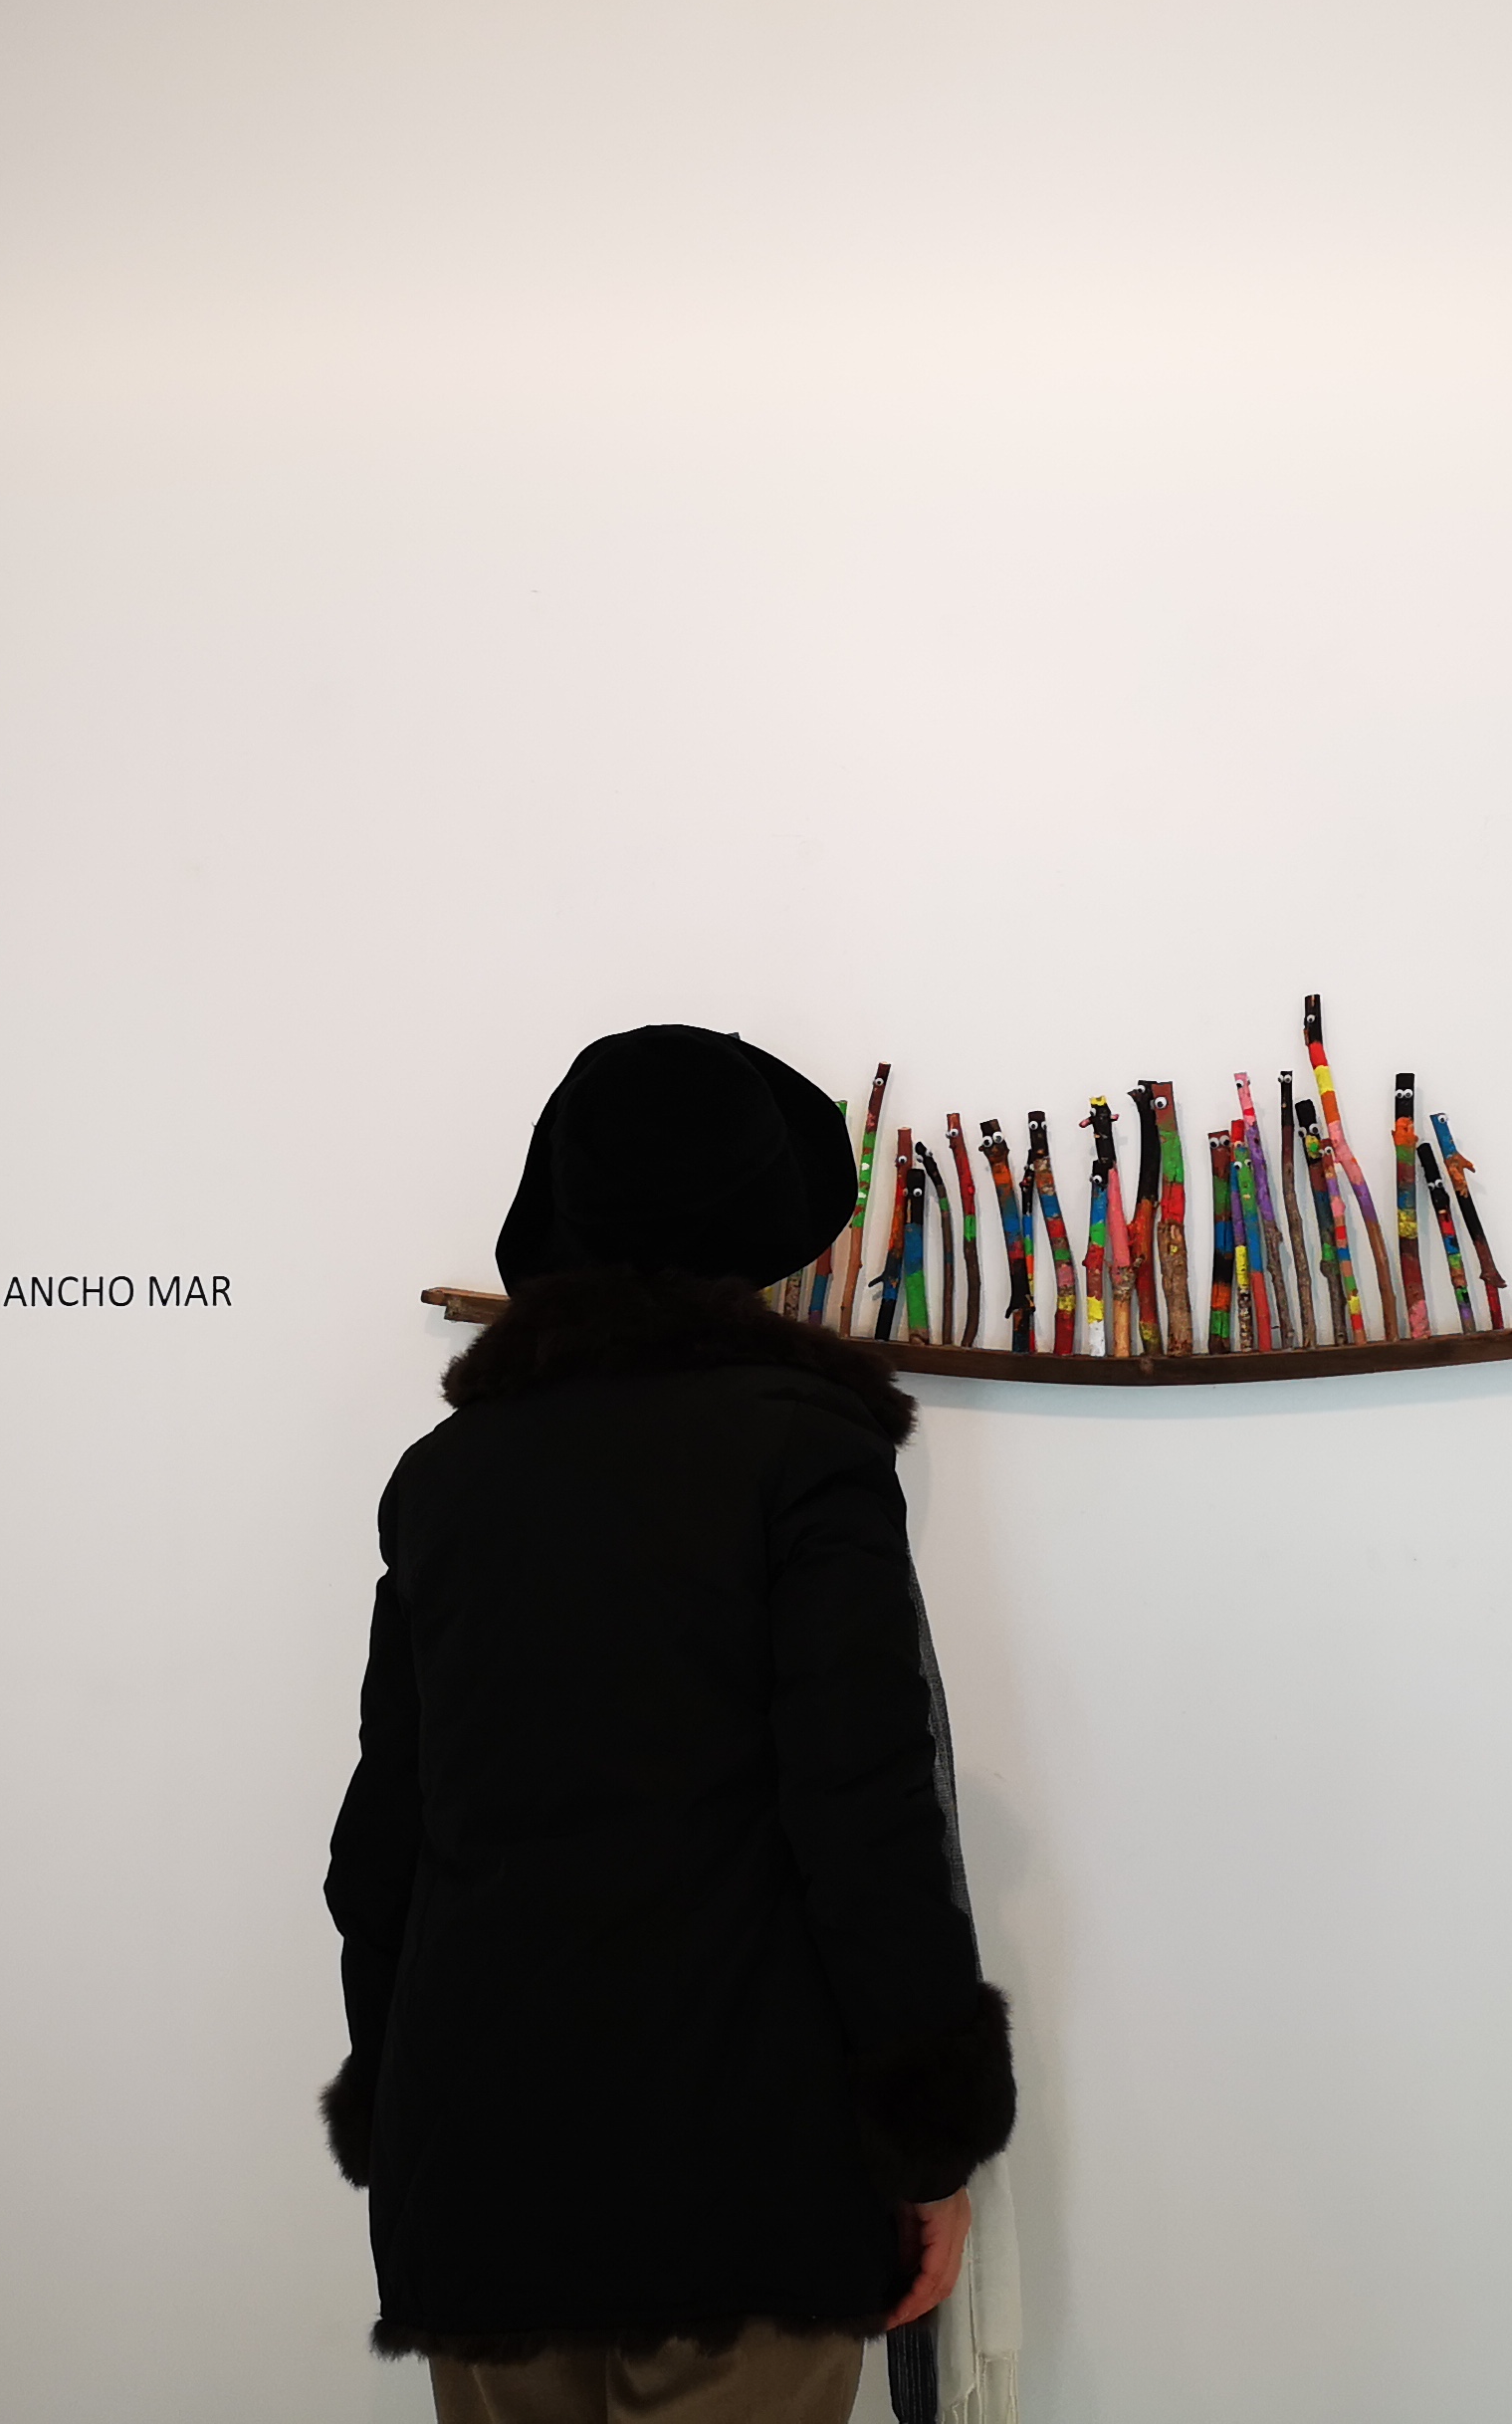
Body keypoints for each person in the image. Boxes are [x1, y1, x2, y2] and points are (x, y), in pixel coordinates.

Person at [322, 1025, 1015, 2424]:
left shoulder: (449, 1477)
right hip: (744, 2176)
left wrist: (401, 2115)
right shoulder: (804, 1450)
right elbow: (866, 1818)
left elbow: (382, 1847)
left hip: (481, 2172)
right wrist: (930, 2143)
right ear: (754, 1224)